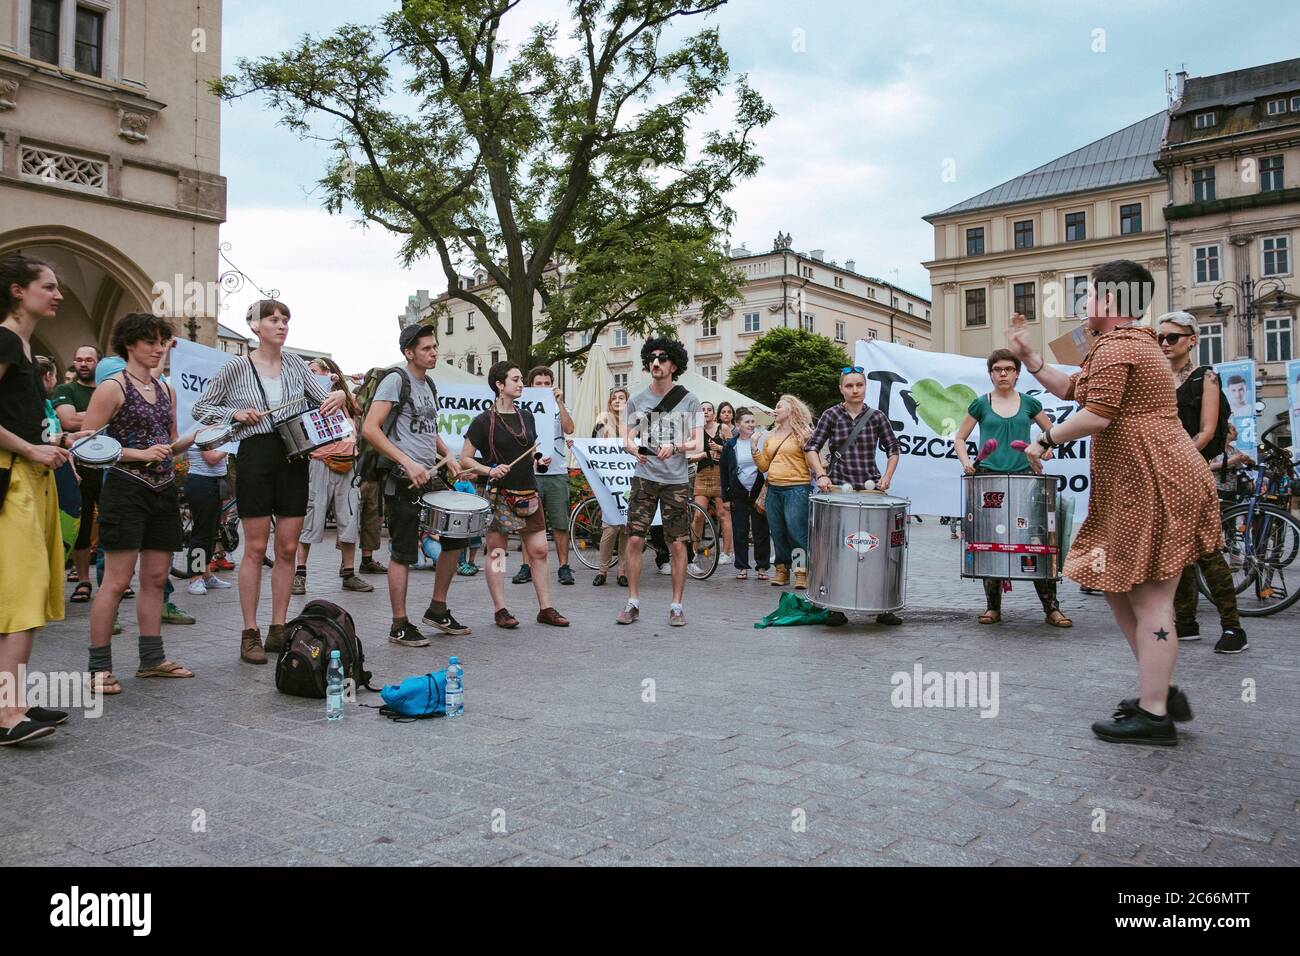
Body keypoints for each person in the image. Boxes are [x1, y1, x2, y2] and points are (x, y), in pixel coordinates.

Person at [1010, 259, 1222, 746]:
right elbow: (1074, 388)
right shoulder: (1123, 344)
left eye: (1089, 293)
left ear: (1111, 299)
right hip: (1141, 478)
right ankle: (1161, 691)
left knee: (1150, 600)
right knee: (1116, 586)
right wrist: (1032, 359)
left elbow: (1097, 415)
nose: (1083, 302)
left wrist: (1046, 442)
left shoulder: (1121, 345)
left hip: (1155, 479)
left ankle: (1154, 713)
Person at [193, 299, 349, 664]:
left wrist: (341, 393)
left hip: (293, 454)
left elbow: (326, 398)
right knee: (254, 547)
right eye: (273, 319)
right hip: (256, 452)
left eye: (285, 320)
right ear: (254, 326)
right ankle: (250, 632)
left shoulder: (295, 364)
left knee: (288, 547)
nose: (281, 325)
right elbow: (202, 408)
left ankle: (279, 627)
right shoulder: (236, 367)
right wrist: (235, 413)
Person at [80, 313, 196, 695]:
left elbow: (173, 440)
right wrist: (136, 453)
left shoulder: (167, 390)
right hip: (126, 490)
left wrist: (203, 435)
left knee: (157, 579)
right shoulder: (112, 388)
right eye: (150, 341)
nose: (158, 348)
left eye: (162, 341)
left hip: (163, 489)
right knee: (115, 582)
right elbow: (85, 445)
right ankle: (98, 668)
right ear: (130, 344)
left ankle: (152, 660)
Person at [0, 255, 82, 744]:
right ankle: (7, 715)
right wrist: (32, 448)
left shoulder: (25, 346)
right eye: (48, 286)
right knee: (23, 597)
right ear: (17, 290)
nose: (57, 295)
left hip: (31, 476)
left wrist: (52, 444)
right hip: (14, 480)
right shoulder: (8, 339)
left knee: (25, 595)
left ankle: (14, 700)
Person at [360, 323, 470, 645]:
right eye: (426, 348)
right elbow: (370, 427)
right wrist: (406, 462)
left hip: (430, 475)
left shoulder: (429, 385)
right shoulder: (397, 380)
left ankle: (437, 609)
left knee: (455, 535)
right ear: (409, 352)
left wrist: (447, 454)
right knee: (404, 551)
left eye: (434, 347)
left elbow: (426, 428)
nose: (433, 352)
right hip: (402, 478)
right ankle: (399, 624)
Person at [953, 349, 1072, 628]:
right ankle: (993, 607)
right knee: (991, 542)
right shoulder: (980, 404)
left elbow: (1051, 434)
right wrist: (967, 461)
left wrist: (1045, 450)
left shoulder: (1030, 403)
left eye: (1008, 368)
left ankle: (1051, 608)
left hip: (1025, 481)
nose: (1003, 373)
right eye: (997, 369)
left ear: (1018, 373)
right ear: (991, 374)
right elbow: (959, 438)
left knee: (1037, 542)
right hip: (989, 481)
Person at [1158, 311, 1246, 654]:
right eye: (1161, 338)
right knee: (1174, 551)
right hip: (1165, 474)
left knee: (1207, 549)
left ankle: (1233, 627)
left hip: (1192, 470)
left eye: (1173, 337)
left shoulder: (1205, 377)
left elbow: (1208, 429)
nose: (1165, 343)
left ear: (1192, 340)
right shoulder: (1159, 378)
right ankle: (1187, 622)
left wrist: (1178, 456)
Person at [461, 360, 569, 628]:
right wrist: (488, 470)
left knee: (541, 550)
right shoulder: (483, 421)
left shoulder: (527, 416)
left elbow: (531, 450)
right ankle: (501, 609)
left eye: (521, 379)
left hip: (527, 490)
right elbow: (465, 459)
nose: (522, 384)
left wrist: (538, 460)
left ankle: (545, 608)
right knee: (497, 552)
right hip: (499, 494)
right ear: (500, 385)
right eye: (516, 379)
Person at [805, 367, 904, 626]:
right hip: (838, 491)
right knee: (838, 549)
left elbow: (894, 449)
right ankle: (836, 606)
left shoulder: (876, 416)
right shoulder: (831, 415)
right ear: (841, 389)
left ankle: (882, 605)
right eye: (849, 386)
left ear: (864, 387)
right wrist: (820, 474)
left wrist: (888, 477)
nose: (855, 390)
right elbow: (812, 447)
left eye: (859, 385)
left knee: (875, 549)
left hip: (870, 491)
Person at [617, 337, 702, 627]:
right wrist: (631, 447)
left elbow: (698, 441)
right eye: (652, 358)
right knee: (635, 538)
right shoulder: (636, 400)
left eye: (663, 358)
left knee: (677, 544)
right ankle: (632, 603)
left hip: (676, 481)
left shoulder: (689, 399)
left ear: (674, 364)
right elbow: (626, 436)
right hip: (645, 478)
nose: (656, 362)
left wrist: (677, 447)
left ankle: (676, 606)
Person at [294, 357, 372, 595]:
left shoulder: (344, 397)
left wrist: (340, 389)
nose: (312, 375)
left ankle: (348, 573)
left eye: (315, 370)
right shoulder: (304, 396)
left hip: (347, 463)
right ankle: (300, 573)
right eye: (309, 373)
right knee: (311, 516)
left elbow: (359, 408)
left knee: (349, 518)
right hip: (319, 461)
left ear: (329, 371)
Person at [512, 366, 577, 587]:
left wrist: (560, 403)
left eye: (546, 383)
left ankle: (564, 566)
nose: (543, 387)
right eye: (538, 383)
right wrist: (533, 458)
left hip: (556, 471)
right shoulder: (522, 409)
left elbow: (569, 428)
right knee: (528, 522)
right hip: (530, 473)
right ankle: (526, 565)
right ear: (531, 386)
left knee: (559, 521)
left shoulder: (558, 408)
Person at [53, 345, 102, 604]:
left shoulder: (108, 388)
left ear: (98, 363)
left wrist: (84, 416)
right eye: (79, 359)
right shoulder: (65, 390)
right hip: (79, 467)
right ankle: (83, 580)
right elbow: (68, 422)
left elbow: (77, 419)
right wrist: (105, 414)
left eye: (89, 359)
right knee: (82, 526)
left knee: (113, 526)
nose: (83, 363)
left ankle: (117, 580)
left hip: (109, 467)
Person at [754, 394, 814, 591]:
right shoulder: (770, 436)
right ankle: (781, 570)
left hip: (797, 488)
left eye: (780, 407)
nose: (776, 409)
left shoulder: (802, 434)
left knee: (796, 532)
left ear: (791, 411)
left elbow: (810, 464)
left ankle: (800, 572)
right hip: (773, 488)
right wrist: (755, 447)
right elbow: (764, 466)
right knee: (778, 532)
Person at [721, 407, 770, 580]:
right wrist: (725, 497)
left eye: (752, 421)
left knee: (761, 530)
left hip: (757, 490)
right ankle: (742, 567)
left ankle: (762, 567)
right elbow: (725, 471)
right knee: (740, 530)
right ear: (737, 424)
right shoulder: (731, 445)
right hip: (738, 491)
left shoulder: (760, 441)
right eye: (747, 422)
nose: (751, 425)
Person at [183, 442, 234, 595]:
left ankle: (206, 576)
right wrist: (230, 445)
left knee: (211, 532)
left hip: (215, 481)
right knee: (202, 532)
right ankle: (195, 578)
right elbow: (211, 458)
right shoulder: (201, 430)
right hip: (202, 482)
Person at [591, 387, 629, 587]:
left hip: (628, 481)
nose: (617, 401)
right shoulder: (603, 420)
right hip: (609, 480)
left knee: (625, 527)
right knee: (610, 528)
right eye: (614, 398)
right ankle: (602, 570)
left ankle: (622, 571)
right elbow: (593, 445)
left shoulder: (633, 423)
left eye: (621, 398)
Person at [690, 401, 734, 570]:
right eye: (702, 410)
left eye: (709, 409)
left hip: (720, 474)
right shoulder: (696, 431)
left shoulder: (722, 428)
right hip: (701, 475)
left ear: (714, 414)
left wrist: (721, 448)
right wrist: (702, 454)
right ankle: (693, 551)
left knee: (723, 514)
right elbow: (689, 454)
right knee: (698, 515)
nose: (706, 412)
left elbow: (734, 450)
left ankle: (727, 553)